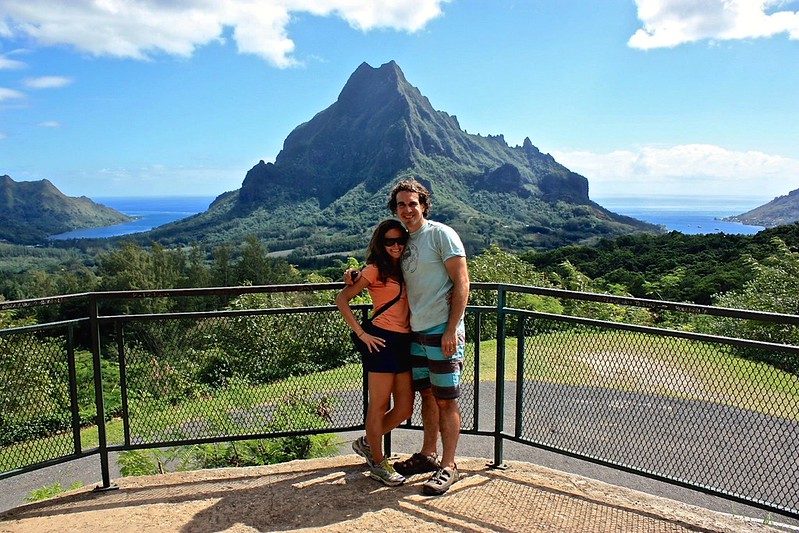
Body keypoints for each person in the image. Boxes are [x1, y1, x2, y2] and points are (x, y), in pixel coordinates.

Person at [348, 179, 470, 496]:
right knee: (427, 395)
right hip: (413, 332)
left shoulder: (441, 235)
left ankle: (449, 465)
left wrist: (451, 327)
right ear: (396, 210)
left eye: (413, 203)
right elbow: (378, 268)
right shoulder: (402, 241)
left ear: (423, 205)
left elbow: (462, 283)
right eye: (401, 205)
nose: (408, 209)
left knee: (446, 399)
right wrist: (352, 276)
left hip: (442, 330)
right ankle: (428, 455)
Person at [336, 219, 414, 486]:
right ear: (381, 243)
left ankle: (369, 442)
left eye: (399, 240)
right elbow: (342, 299)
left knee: (404, 408)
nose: (395, 245)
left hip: (404, 341)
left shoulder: (404, 268)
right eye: (389, 241)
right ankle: (379, 464)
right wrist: (362, 334)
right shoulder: (374, 269)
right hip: (380, 341)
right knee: (379, 405)